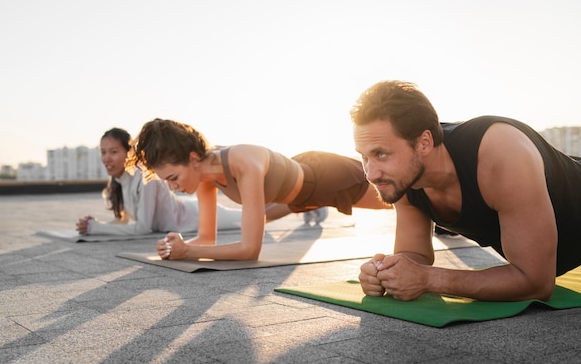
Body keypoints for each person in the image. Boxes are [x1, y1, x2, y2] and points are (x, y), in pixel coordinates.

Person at [352, 80, 581, 302]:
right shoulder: (403, 176)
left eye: (381, 154)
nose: (370, 174)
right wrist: (385, 272)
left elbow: (537, 283)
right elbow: (414, 255)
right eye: (364, 156)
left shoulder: (500, 152)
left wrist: (430, 279)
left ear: (423, 143)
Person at [128, 118, 391, 261]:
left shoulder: (242, 162)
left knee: (399, 199)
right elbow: (207, 238)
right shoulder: (204, 177)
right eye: (168, 182)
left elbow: (249, 250)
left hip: (328, 178)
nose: (173, 187)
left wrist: (190, 252)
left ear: (194, 158)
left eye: (173, 178)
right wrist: (178, 246)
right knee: (266, 215)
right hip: (296, 193)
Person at [75, 128, 243, 236]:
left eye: (113, 152)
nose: (106, 158)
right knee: (259, 213)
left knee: (255, 216)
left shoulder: (146, 178)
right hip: (188, 210)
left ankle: (269, 196)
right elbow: (123, 221)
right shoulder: (120, 183)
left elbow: (142, 228)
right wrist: (95, 224)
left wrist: (96, 229)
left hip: (194, 215)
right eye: (103, 152)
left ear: (129, 154)